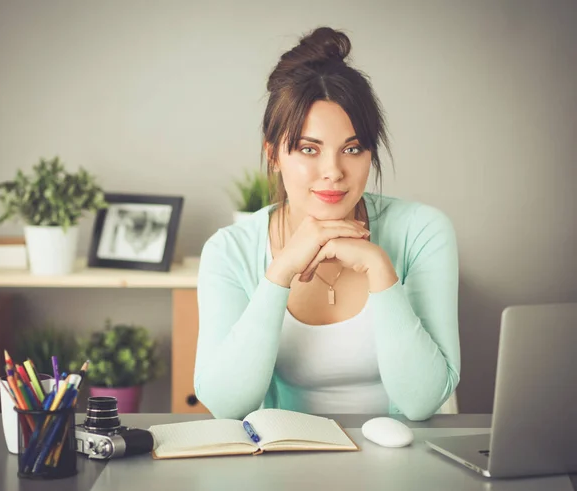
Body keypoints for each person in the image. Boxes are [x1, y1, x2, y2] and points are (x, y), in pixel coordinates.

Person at [194, 27, 460, 421]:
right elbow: (226, 405)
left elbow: (422, 402)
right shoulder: (228, 250)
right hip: (282, 466)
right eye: (308, 149)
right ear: (273, 154)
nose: (333, 172)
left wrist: (379, 269)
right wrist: (280, 271)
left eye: (352, 149)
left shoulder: (423, 232)